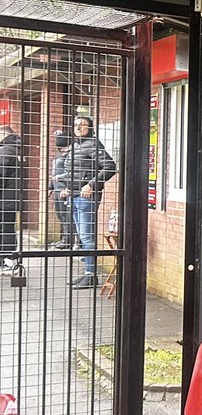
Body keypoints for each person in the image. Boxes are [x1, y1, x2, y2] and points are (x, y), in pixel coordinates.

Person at [58, 116, 116, 289]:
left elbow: (110, 167)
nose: (78, 128)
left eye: (83, 125)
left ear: (90, 127)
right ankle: (86, 273)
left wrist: (91, 185)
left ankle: (91, 275)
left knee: (86, 236)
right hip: (73, 196)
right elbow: (74, 172)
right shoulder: (76, 146)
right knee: (82, 237)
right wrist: (67, 187)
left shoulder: (93, 144)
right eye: (76, 125)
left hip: (86, 198)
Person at [48, 130, 75, 249]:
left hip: (65, 189)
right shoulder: (59, 154)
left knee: (67, 216)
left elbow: (69, 173)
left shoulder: (71, 154)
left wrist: (65, 185)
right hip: (57, 190)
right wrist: (51, 187)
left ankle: (69, 241)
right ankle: (65, 239)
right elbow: (54, 172)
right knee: (61, 215)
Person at [0, 121, 19, 272]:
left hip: (5, 199)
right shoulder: (15, 149)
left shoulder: (5, 151)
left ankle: (8, 260)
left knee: (5, 229)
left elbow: (1, 174)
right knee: (8, 228)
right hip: (11, 198)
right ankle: (9, 258)